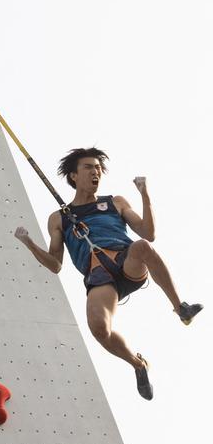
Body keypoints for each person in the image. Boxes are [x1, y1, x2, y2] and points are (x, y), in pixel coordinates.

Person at [14, 147, 202, 400]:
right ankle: (138, 364)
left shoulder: (115, 202)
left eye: (99, 169)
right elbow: (55, 265)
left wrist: (145, 195)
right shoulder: (59, 219)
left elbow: (149, 233)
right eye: (89, 167)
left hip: (127, 261)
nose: (96, 172)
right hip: (100, 277)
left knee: (142, 246)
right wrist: (29, 243)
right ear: (73, 176)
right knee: (99, 329)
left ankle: (181, 308)